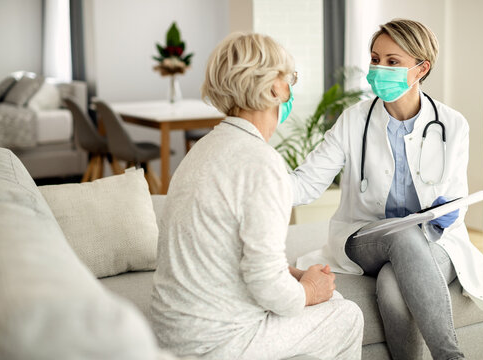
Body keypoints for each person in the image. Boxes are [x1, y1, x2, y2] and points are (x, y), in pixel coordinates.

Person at [289, 19, 483, 360]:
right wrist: (262, 182)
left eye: (392, 61)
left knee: (392, 284)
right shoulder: (354, 120)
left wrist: (451, 211)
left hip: (433, 242)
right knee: (401, 236)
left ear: (421, 69)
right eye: (375, 59)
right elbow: (308, 182)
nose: (378, 69)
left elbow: (457, 197)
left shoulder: (452, 124)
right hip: (365, 238)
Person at [150, 33, 364, 360]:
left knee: (323, 302)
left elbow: (227, 251)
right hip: (219, 343)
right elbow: (264, 282)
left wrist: (295, 276)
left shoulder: (202, 150)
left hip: (173, 334)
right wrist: (308, 290)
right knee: (345, 315)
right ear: (275, 87)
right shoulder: (261, 162)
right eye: (289, 78)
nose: (290, 89)